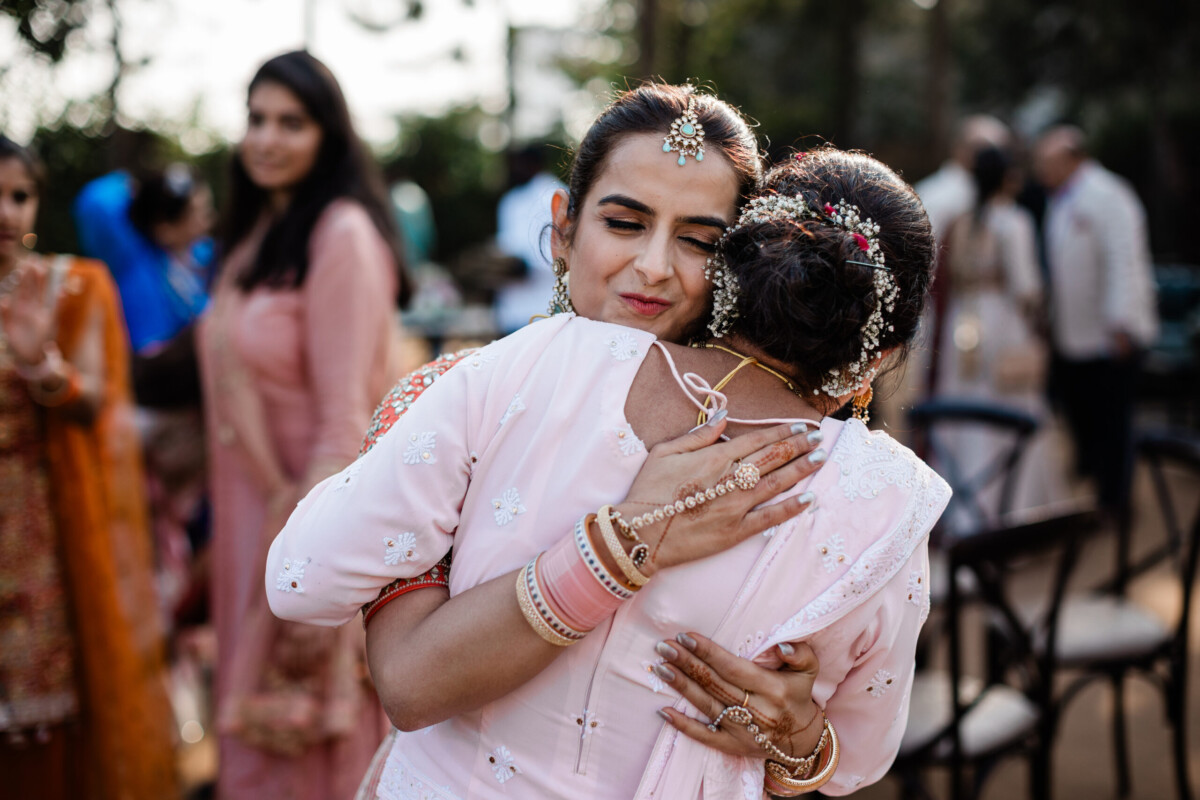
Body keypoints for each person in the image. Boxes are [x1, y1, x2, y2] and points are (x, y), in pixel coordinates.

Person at [270, 102, 948, 798]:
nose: (652, 268)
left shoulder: (517, 371)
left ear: (747, 264)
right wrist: (624, 543)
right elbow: (406, 682)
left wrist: (796, 738)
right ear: (563, 228)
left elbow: (831, 753)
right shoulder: (482, 384)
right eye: (623, 223)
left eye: (700, 241)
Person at [196, 50, 413, 800]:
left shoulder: (342, 236)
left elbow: (344, 421)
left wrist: (310, 568)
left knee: (306, 752)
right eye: (256, 119)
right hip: (245, 526)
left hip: (301, 533)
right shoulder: (258, 239)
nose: (266, 138)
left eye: (291, 122)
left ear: (329, 135)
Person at [0, 135, 179, 798]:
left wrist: (42, 368)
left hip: (44, 530)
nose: (7, 212)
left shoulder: (71, 287)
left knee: (47, 702)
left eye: (19, 194)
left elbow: (101, 401)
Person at [932, 145, 1064, 527]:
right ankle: (1013, 513)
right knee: (1010, 409)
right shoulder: (1013, 222)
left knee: (962, 408)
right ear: (1008, 178)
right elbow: (1026, 288)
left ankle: (965, 512)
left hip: (964, 322)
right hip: (1001, 323)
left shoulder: (959, 222)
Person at [1033, 124, 1159, 513]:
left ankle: (1116, 501)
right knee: (1083, 413)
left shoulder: (1109, 194)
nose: (1042, 171)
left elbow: (1124, 260)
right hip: (1076, 332)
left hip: (1109, 334)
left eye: (1048, 162)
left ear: (1073, 157)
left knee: (1113, 419)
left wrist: (1121, 323)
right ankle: (1099, 489)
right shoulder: (1062, 199)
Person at [492, 143, 567, 335]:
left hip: (543, 305)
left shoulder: (555, 195)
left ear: (535, 164)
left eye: (521, 163)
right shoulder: (510, 200)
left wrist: (526, 266)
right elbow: (506, 244)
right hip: (511, 309)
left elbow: (563, 250)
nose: (516, 169)